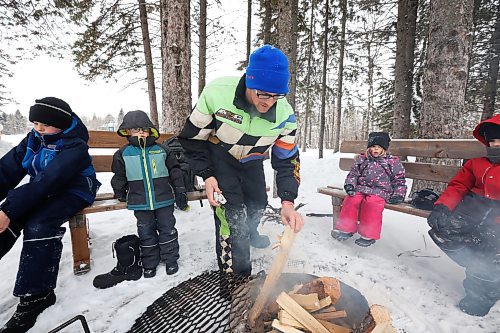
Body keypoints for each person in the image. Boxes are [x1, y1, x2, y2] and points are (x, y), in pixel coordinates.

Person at [178, 44, 304, 277]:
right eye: (263, 94)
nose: (269, 102)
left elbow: (287, 160)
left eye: (276, 95)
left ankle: (250, 232)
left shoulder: (285, 116)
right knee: (232, 215)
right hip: (220, 156)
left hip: (252, 159)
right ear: (249, 81)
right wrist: (207, 175)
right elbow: (192, 139)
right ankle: (236, 276)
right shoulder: (217, 93)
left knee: (257, 202)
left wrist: (288, 201)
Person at [0, 97, 100, 332]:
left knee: (39, 223)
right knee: (8, 219)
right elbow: (8, 169)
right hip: (44, 189)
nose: (39, 128)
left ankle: (37, 296)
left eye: (45, 123)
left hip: (74, 189)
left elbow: (50, 179)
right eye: (35, 123)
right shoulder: (34, 139)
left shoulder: (75, 146)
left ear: (61, 123)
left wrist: (8, 208)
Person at [94, 110, 188, 287]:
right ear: (127, 132)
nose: (141, 133)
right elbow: (119, 176)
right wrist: (119, 192)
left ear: (150, 130)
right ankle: (150, 262)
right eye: (135, 130)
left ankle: (171, 259)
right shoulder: (123, 154)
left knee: (168, 228)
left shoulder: (161, 150)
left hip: (164, 200)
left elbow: (175, 172)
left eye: (144, 129)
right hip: (140, 201)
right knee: (146, 232)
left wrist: (180, 191)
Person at [427, 114, 500, 317]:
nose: (495, 145)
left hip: (497, 218)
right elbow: (459, 186)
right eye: (492, 141)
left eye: (499, 141)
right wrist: (443, 206)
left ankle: (484, 294)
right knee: (443, 230)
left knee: (490, 248)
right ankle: (475, 262)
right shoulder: (476, 164)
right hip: (472, 209)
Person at [331, 132, 407, 247]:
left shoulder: (392, 162)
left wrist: (398, 194)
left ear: (384, 149)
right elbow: (353, 174)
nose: (375, 150)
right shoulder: (363, 159)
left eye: (378, 148)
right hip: (361, 188)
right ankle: (346, 229)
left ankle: (368, 234)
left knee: (372, 204)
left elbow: (399, 180)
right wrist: (350, 185)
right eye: (373, 147)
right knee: (351, 200)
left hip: (380, 191)